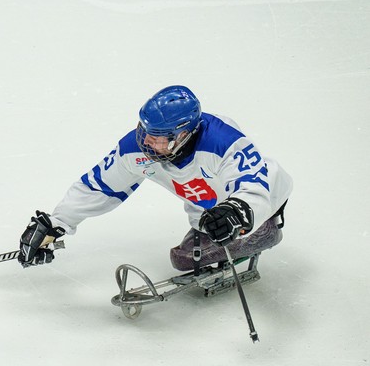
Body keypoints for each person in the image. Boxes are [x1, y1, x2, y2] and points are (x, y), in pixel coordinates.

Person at [17, 85, 292, 272]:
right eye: (145, 130)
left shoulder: (223, 141)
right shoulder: (136, 149)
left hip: (258, 202)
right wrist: (56, 223)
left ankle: (262, 230)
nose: (146, 141)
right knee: (186, 259)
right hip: (205, 211)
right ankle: (221, 227)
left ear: (184, 134)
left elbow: (254, 183)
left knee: (194, 253)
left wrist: (238, 213)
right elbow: (99, 186)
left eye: (158, 137)